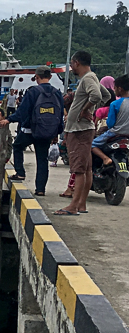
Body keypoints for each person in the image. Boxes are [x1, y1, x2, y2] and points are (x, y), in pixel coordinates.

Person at [0, 65, 64, 196]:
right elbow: (60, 113)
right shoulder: (57, 92)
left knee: (17, 146)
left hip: (30, 130)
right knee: (42, 159)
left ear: (36, 78)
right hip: (47, 131)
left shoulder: (33, 92)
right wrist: (56, 133)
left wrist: (9, 120)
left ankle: (20, 173)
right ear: (50, 77)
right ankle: (40, 189)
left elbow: (23, 112)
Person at [57, 50, 104, 216]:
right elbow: (105, 94)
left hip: (80, 130)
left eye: (72, 63)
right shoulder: (91, 78)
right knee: (86, 168)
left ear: (76, 62)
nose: (71, 66)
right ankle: (81, 204)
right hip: (83, 129)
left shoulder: (88, 78)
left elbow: (97, 95)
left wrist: (84, 110)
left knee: (78, 169)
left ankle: (73, 206)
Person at [92, 74, 129, 167]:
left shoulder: (115, 104)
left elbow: (110, 124)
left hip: (115, 133)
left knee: (92, 144)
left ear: (120, 89)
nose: (114, 90)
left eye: (115, 88)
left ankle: (105, 158)